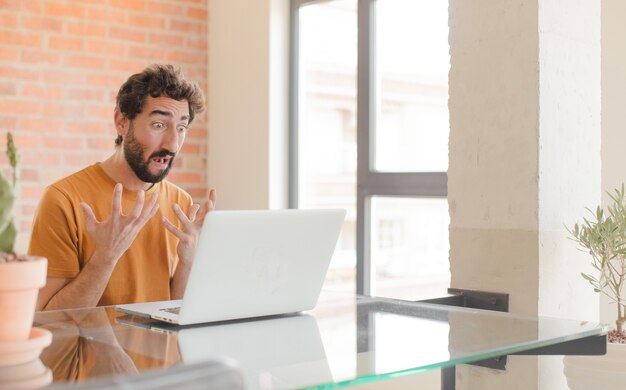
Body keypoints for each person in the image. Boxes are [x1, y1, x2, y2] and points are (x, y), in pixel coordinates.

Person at [29, 64, 216, 310]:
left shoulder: (181, 205)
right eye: (159, 125)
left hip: (157, 350)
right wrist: (106, 257)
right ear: (121, 122)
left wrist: (188, 262)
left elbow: (174, 314)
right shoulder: (64, 200)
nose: (173, 143)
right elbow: (48, 320)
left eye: (181, 128)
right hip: (86, 350)